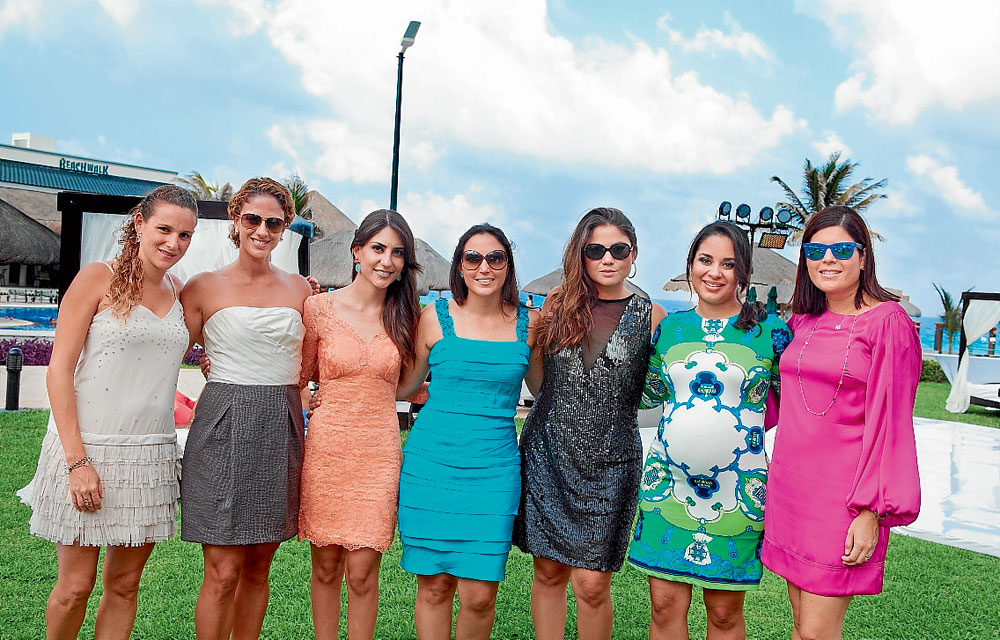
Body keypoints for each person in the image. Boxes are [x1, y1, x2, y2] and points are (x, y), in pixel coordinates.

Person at [17, 185, 198, 639]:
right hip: (87, 450)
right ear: (139, 224)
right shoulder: (96, 278)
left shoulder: (181, 293)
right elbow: (58, 372)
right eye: (164, 229)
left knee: (124, 585)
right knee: (75, 586)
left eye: (184, 235)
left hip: (151, 456)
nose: (172, 243)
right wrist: (78, 463)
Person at [761, 206, 920, 640]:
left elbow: (893, 426)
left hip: (842, 501)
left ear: (863, 257)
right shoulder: (800, 321)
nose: (827, 259)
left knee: (817, 632)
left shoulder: (889, 322)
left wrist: (871, 510)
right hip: (790, 490)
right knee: (799, 624)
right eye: (816, 250)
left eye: (841, 249)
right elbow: (773, 399)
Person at [628, 221, 791, 640]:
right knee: (664, 607)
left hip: (739, 490)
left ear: (743, 273)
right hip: (667, 487)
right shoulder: (669, 330)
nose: (714, 272)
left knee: (722, 613)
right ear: (691, 265)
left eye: (727, 263)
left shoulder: (770, 333)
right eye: (705, 260)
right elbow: (646, 395)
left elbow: (800, 402)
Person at [513, 207, 666, 640]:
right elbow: (540, 381)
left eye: (619, 249)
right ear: (580, 253)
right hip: (548, 454)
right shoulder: (556, 305)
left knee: (592, 582)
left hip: (611, 461)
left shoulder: (652, 316)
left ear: (633, 254)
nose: (607, 258)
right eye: (595, 249)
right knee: (547, 572)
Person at [180, 177, 312, 640]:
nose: (262, 230)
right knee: (221, 570)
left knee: (259, 565)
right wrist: (208, 363)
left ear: (284, 229)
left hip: (280, 425)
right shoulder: (201, 288)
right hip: (221, 425)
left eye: (273, 222)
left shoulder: (302, 291)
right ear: (236, 221)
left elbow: (311, 361)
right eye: (252, 219)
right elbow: (169, 347)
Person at [394, 223, 538, 640]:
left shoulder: (532, 324)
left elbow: (547, 390)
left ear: (507, 266)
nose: (484, 267)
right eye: (473, 258)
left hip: (494, 473)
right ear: (460, 266)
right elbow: (402, 386)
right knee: (435, 586)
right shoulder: (432, 319)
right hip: (431, 467)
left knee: (479, 595)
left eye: (495, 258)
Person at [298, 210, 422, 640]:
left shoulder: (408, 316)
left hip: (379, 451)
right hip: (328, 449)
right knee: (327, 567)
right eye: (377, 249)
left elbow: (407, 385)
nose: (386, 261)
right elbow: (299, 377)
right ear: (356, 253)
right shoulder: (318, 308)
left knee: (365, 571)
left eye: (397, 253)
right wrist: (312, 404)